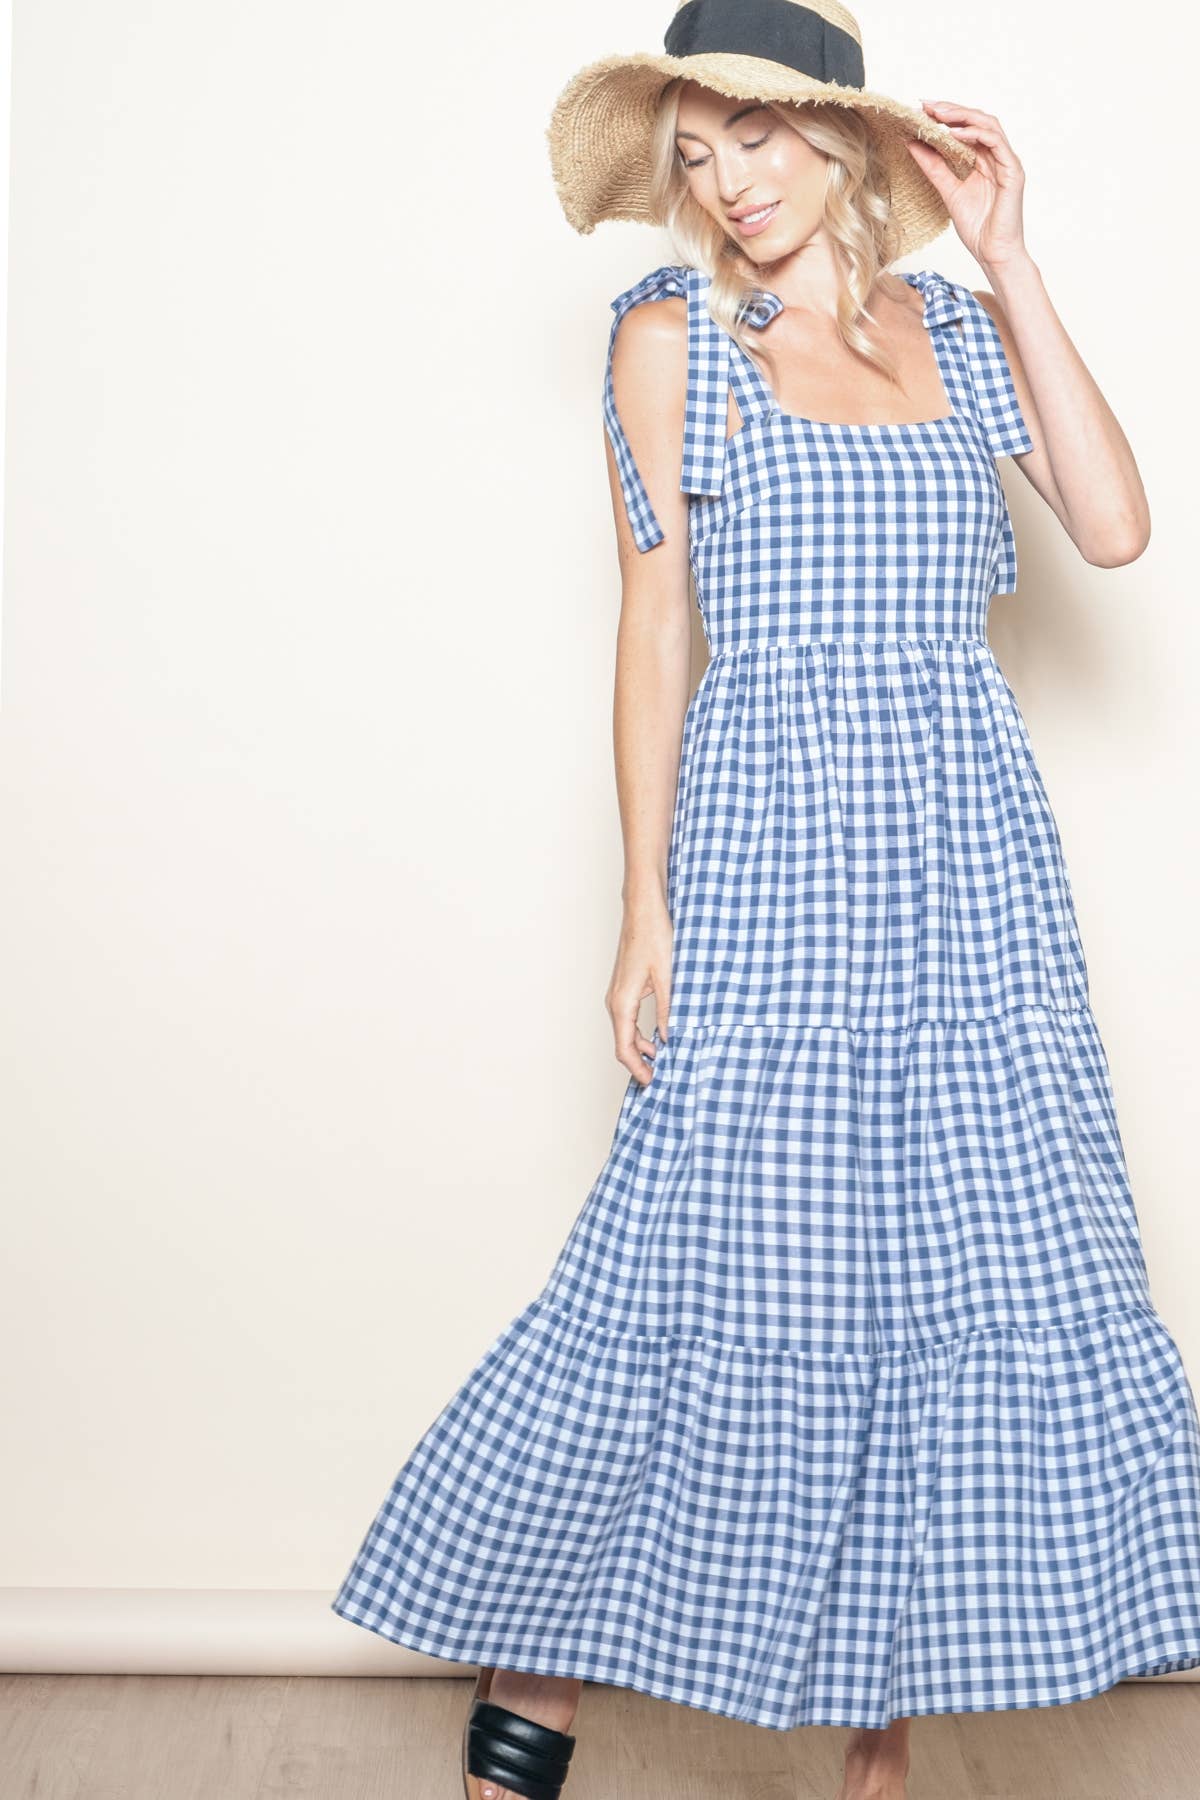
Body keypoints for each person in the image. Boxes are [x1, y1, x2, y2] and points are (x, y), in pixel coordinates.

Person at [329, 4, 1200, 1797]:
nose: (729, 183)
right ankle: (533, 1712)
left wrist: (1015, 257)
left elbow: (1111, 526)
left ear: (848, 147)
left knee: (932, 1285)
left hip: (971, 876)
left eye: (764, 139)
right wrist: (645, 907)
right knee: (703, 1282)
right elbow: (656, 626)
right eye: (700, 149)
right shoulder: (673, 338)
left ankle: (874, 1763)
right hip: (776, 857)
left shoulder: (950, 328)